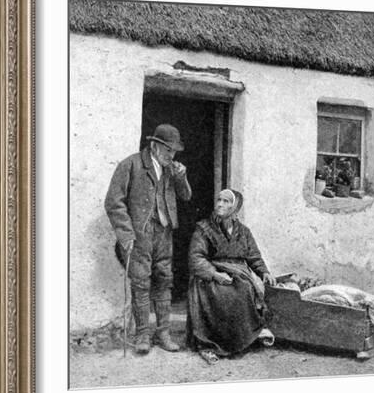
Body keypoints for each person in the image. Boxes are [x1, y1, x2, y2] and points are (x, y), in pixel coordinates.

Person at [105, 124, 192, 355]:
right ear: (154, 145)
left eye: (174, 152)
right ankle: (142, 333)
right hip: (139, 235)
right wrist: (126, 234)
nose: (171, 156)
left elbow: (186, 196)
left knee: (165, 280)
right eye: (168, 150)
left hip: (164, 233)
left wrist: (181, 178)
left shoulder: (171, 169)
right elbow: (114, 202)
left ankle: (163, 333)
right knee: (141, 282)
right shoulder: (131, 164)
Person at [187, 188, 276, 364]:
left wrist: (264, 272)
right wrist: (215, 274)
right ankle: (210, 344)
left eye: (226, 201)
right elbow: (195, 257)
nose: (220, 204)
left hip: (237, 274)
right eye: (219, 199)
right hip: (209, 276)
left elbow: (253, 256)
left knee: (243, 288)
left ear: (235, 207)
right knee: (223, 293)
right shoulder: (204, 229)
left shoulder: (243, 231)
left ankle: (243, 338)